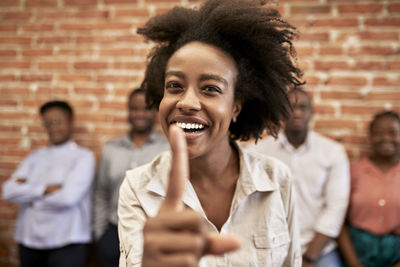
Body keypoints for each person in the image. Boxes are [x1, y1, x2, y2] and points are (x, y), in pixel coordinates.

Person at [117, 0, 304, 266]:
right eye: (174, 85)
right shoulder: (138, 188)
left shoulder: (276, 180)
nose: (187, 102)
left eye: (210, 89)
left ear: (236, 107)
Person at [247, 88, 350, 267]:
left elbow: (336, 208)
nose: (297, 112)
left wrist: (309, 257)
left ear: (312, 112)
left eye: (303, 107)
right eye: (291, 107)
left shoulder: (332, 152)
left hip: (319, 250)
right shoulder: (257, 152)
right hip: (270, 248)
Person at [2, 100, 95, 267]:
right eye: (47, 123)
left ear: (71, 122)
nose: (53, 128)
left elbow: (68, 198)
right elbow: (8, 190)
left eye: (58, 121)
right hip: (29, 240)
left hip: (68, 241)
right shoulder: (35, 157)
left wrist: (29, 198)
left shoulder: (83, 157)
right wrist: (45, 189)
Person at [94, 87, 169, 267]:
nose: (139, 114)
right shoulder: (111, 149)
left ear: (155, 112)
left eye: (146, 108)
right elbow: (101, 193)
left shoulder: (167, 149)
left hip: (153, 235)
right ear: (128, 111)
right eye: (134, 109)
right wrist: (100, 234)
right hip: (113, 232)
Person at [338, 111, 400, 267]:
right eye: (379, 133)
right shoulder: (353, 171)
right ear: (370, 137)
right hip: (358, 251)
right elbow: (339, 220)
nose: (386, 138)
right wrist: (353, 263)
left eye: (393, 133)